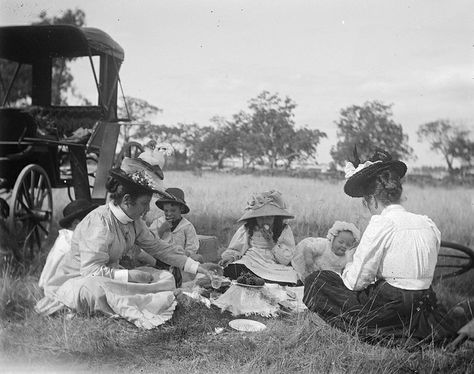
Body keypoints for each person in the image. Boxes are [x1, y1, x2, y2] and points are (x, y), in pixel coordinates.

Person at [35, 156, 221, 328]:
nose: (147, 209)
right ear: (126, 200)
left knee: (166, 278)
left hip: (113, 277)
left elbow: (158, 248)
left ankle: (127, 299)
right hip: (80, 280)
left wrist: (196, 267)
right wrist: (131, 276)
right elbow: (91, 271)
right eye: (144, 204)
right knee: (94, 291)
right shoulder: (99, 222)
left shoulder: (135, 222)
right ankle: (129, 299)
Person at [303, 148, 458, 346]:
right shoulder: (428, 223)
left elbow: (355, 283)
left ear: (371, 199)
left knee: (317, 281)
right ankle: (416, 330)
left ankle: (390, 332)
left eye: (365, 203)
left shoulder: (381, 223)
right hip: (424, 304)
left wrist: (350, 261)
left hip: (392, 305)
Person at [219, 190, 298, 285]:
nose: (265, 220)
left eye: (269, 217)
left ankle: (255, 279)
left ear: (276, 218)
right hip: (252, 261)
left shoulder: (283, 229)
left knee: (290, 277)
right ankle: (253, 278)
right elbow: (237, 248)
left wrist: (271, 243)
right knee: (232, 269)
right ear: (255, 218)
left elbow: (286, 259)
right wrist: (231, 257)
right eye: (260, 217)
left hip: (273, 264)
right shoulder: (249, 228)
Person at [38, 199, 98, 293]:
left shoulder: (68, 237)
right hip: (57, 293)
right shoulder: (70, 245)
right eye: (90, 220)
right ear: (76, 224)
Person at [292, 221, 360, 282]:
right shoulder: (324, 245)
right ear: (333, 238)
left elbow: (344, 271)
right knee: (302, 278)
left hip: (325, 276)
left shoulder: (346, 257)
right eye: (341, 242)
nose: (344, 246)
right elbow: (308, 248)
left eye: (348, 245)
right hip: (310, 268)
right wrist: (309, 260)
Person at [150, 188, 202, 262]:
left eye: (173, 210)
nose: (169, 214)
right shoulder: (158, 223)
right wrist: (161, 229)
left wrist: (186, 253)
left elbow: (192, 246)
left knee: (198, 258)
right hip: (161, 257)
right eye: (166, 211)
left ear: (181, 209)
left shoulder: (187, 226)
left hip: (180, 258)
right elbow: (149, 240)